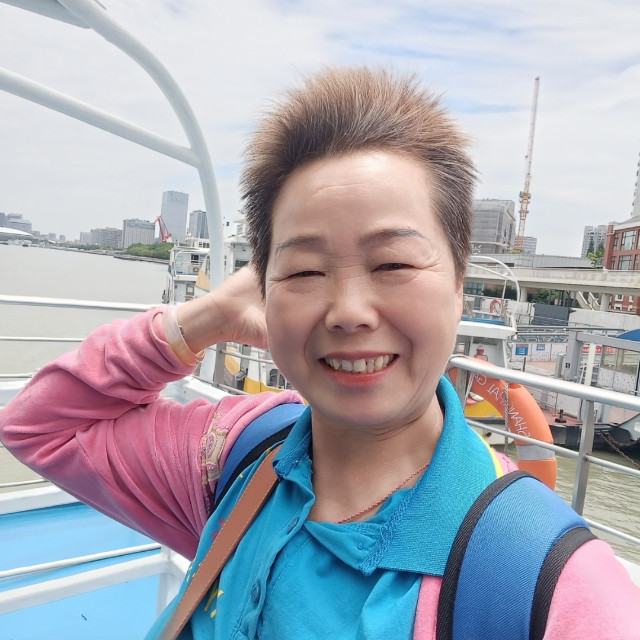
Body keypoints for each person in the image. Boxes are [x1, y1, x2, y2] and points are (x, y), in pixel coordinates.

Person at [1, 67, 638, 639]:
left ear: (458, 279)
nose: (348, 311)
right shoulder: (237, 458)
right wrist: (207, 318)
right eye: (305, 271)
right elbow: (40, 424)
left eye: (392, 263)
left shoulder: (548, 587)